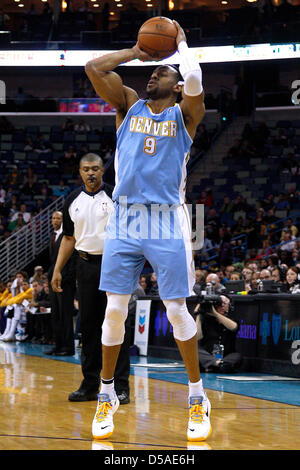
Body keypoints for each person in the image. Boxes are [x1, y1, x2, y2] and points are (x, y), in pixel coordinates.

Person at [85, 20, 210, 441]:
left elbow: (193, 75)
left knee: (176, 310)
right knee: (115, 309)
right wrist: (136, 53)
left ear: (177, 87)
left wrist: (180, 44)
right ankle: (106, 393)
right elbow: (94, 68)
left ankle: (197, 396)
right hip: (124, 216)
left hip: (165, 217)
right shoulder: (129, 104)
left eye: (163, 71)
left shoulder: (186, 115)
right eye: (154, 70)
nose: (153, 74)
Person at [51, 153, 131, 404]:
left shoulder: (116, 196)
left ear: (102, 171)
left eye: (95, 168)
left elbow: (130, 231)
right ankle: (90, 384)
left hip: (114, 265)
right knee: (88, 326)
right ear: (80, 172)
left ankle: (120, 386)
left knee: (116, 325)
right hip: (84, 265)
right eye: (86, 169)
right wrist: (57, 269)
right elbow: (68, 238)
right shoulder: (72, 200)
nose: (91, 173)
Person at [46, 211, 77, 356]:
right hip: (53, 279)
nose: (55, 220)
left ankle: (68, 347)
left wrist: (68, 277)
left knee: (65, 314)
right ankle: (58, 345)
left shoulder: (68, 236)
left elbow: (73, 259)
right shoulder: (52, 236)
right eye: (53, 218)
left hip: (65, 281)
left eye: (58, 218)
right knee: (56, 314)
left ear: (63, 220)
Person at [195, 295, 242, 373]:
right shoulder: (206, 319)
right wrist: (199, 314)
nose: (221, 306)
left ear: (230, 306)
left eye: (224, 303)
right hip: (208, 354)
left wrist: (215, 313)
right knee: (194, 349)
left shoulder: (232, 319)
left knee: (237, 356)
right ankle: (218, 364)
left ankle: (212, 365)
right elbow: (197, 337)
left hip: (226, 355)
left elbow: (234, 328)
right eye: (219, 303)